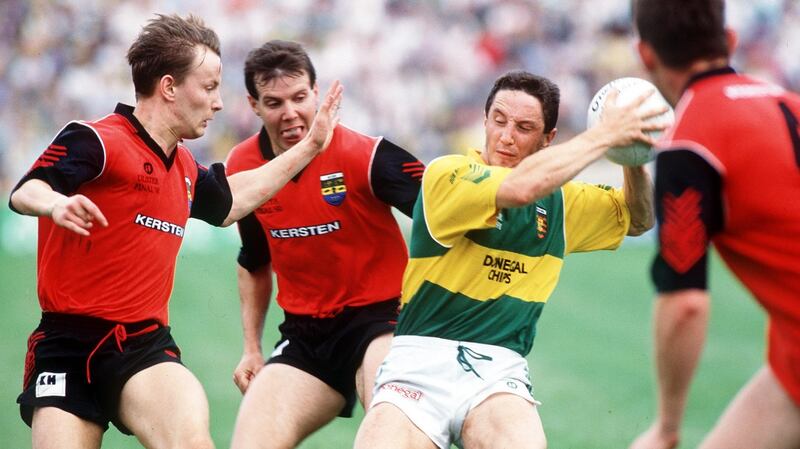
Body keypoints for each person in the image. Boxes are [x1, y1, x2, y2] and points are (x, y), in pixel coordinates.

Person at [9, 15, 342, 449]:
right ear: (169, 87)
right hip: (66, 346)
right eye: (209, 87)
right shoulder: (96, 141)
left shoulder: (183, 166)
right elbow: (27, 190)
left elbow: (232, 201)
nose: (218, 103)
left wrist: (311, 146)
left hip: (142, 347)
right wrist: (56, 203)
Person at [353, 69, 662, 449]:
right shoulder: (447, 175)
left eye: (524, 127)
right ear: (484, 121)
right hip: (417, 365)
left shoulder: (563, 204)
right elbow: (520, 188)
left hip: (497, 373)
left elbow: (639, 218)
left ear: (548, 139)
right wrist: (605, 134)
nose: (506, 136)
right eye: (498, 120)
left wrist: (632, 154)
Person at [225, 40, 424, 449]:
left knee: (389, 434)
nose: (290, 112)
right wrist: (251, 348)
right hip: (305, 334)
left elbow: (445, 212)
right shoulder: (243, 167)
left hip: (384, 320)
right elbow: (254, 260)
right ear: (253, 105)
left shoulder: (368, 155)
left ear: (316, 93)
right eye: (274, 102)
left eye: (299, 97)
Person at [628, 1, 800, 448]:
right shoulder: (788, 101)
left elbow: (685, 303)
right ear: (730, 41)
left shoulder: (690, 141)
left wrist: (666, 427)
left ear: (646, 55)